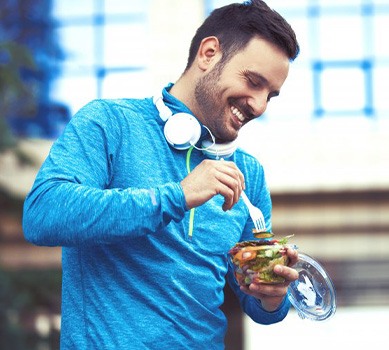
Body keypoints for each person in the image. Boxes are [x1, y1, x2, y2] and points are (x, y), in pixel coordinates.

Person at [23, 1, 300, 348]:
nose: (259, 105)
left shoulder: (250, 175)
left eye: (270, 96)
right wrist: (177, 196)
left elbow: (257, 304)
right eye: (253, 81)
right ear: (209, 53)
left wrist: (272, 295)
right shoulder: (110, 123)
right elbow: (43, 214)